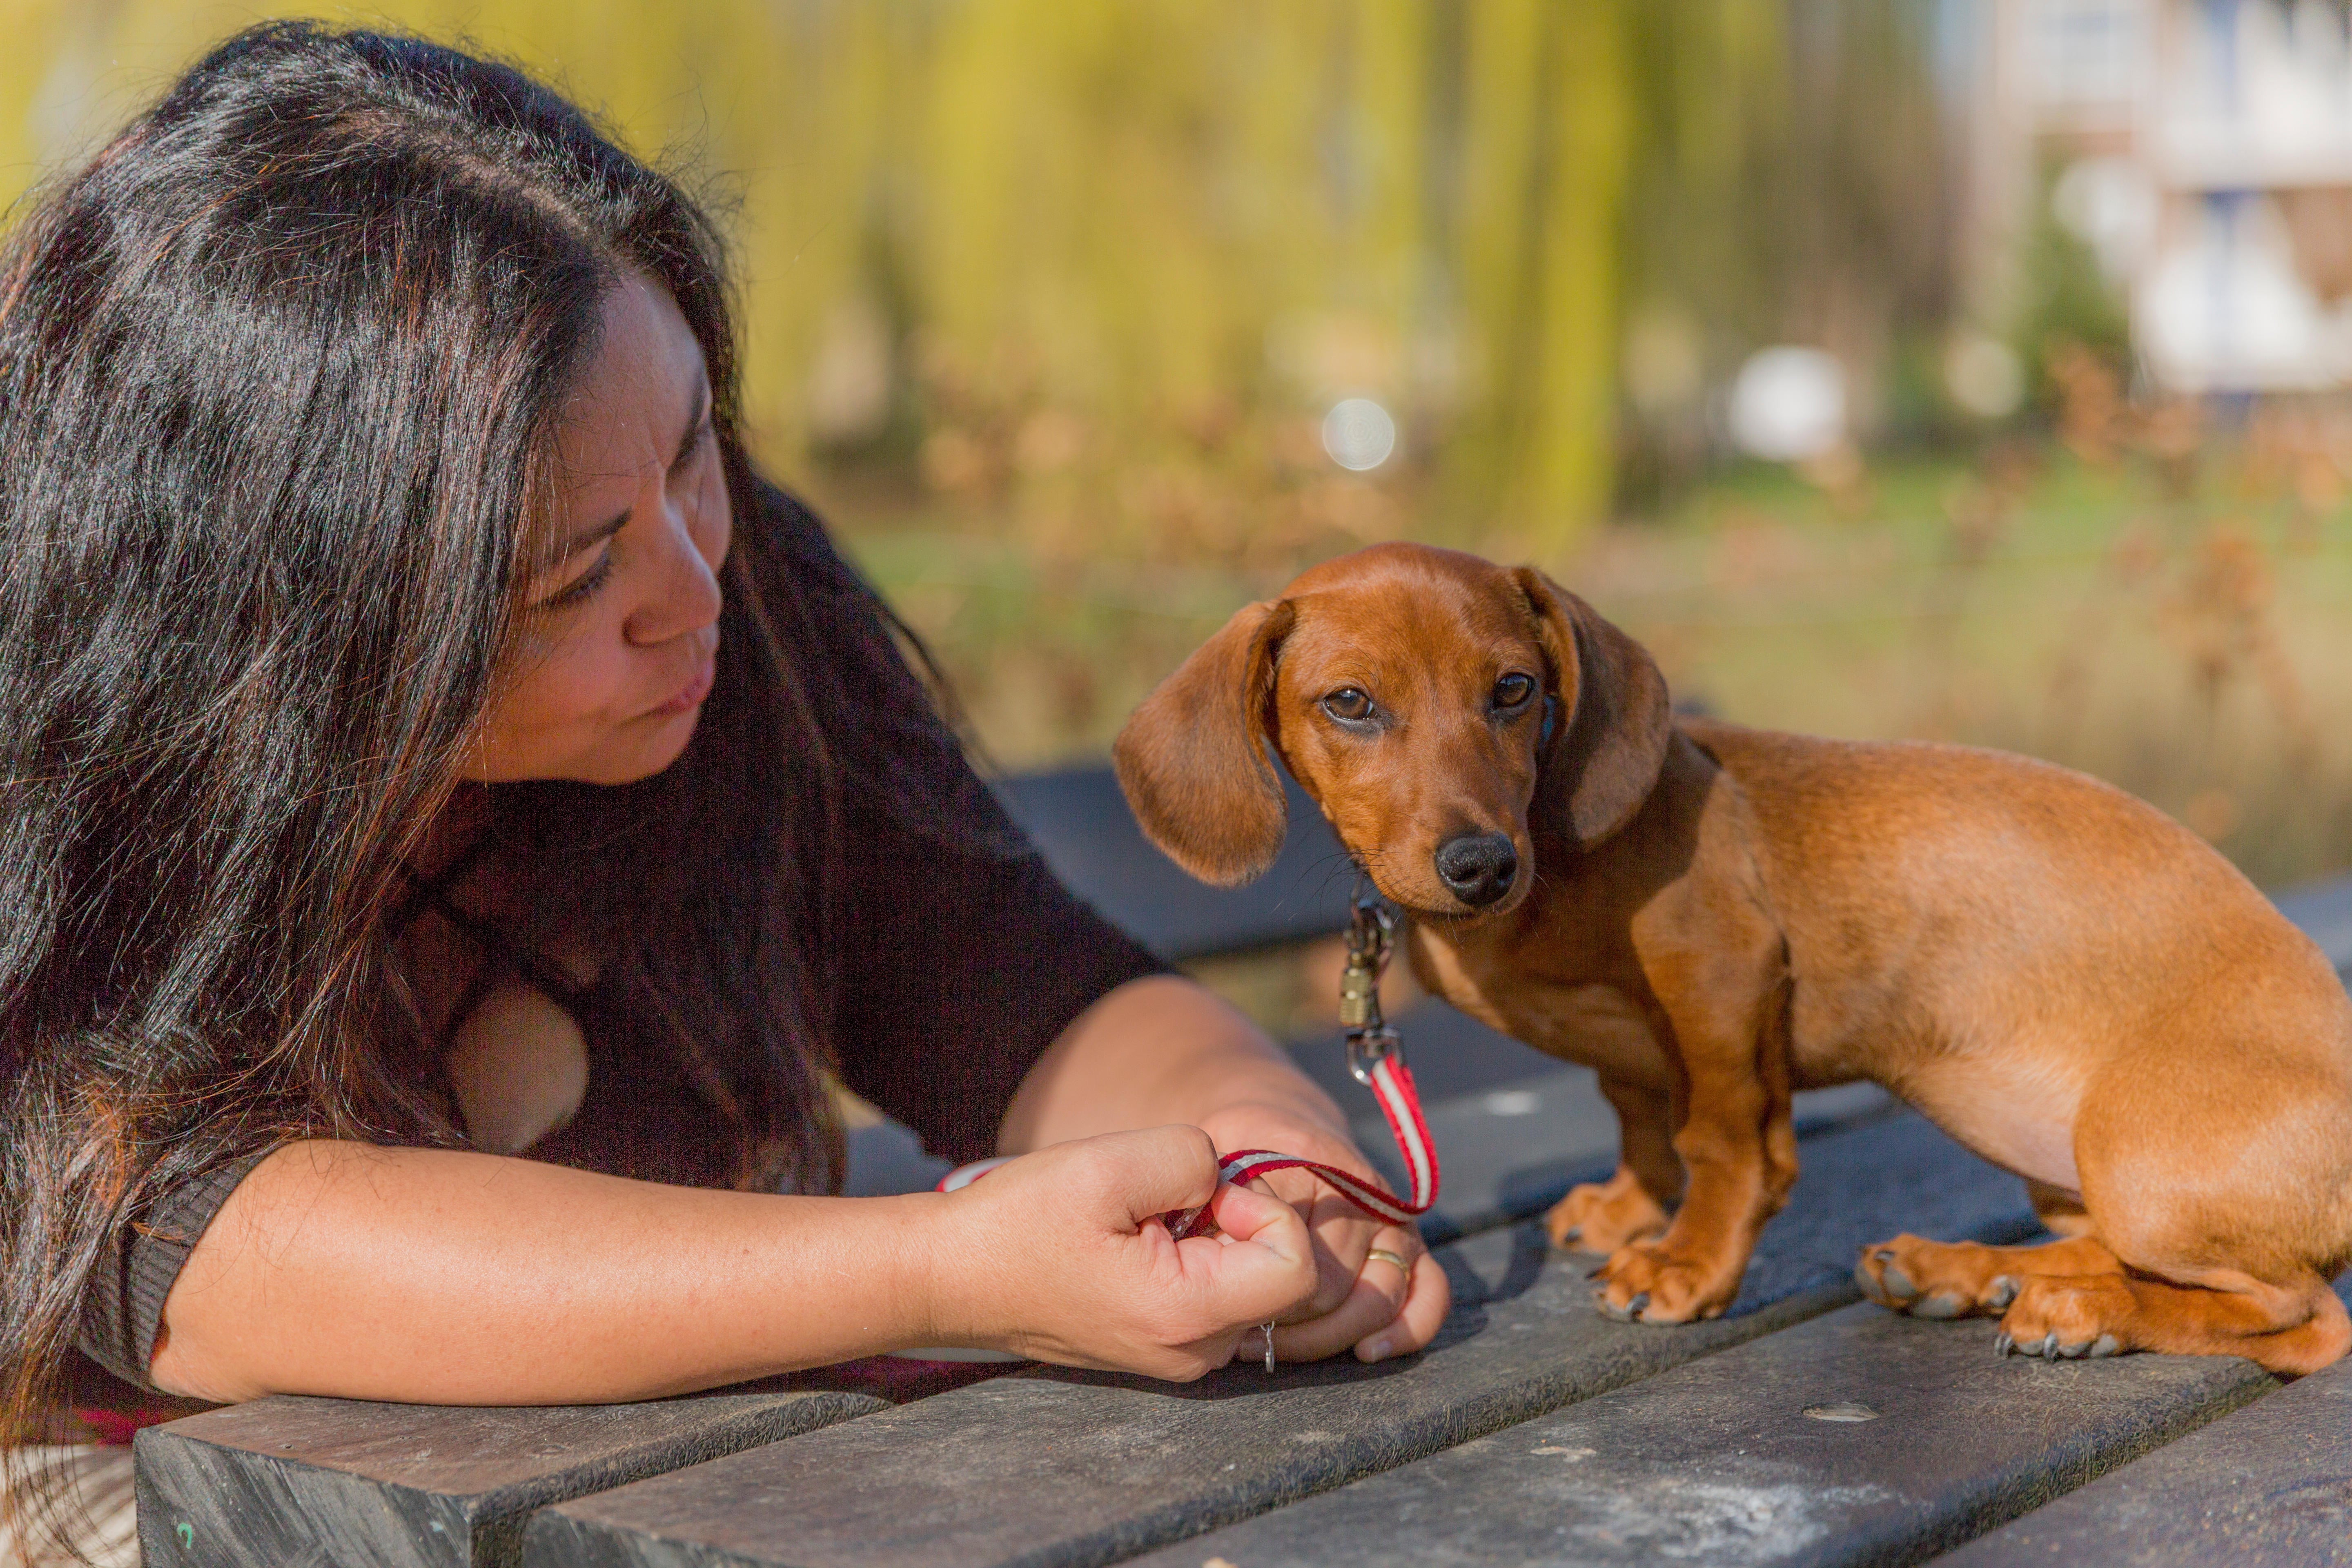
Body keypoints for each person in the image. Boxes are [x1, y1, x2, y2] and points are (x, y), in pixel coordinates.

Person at [0, 22, 1448, 1560]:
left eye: (695, 456)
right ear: (294, 630)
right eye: (568, 582)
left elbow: (1018, 984)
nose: (693, 589)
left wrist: (1263, 1161)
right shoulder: (73, 760)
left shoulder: (742, 611)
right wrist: (947, 1268)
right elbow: (203, 1258)